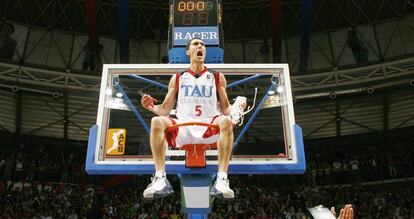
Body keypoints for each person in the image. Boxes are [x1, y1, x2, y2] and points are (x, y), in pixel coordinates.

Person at [140, 37, 245, 200]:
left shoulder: (217, 77)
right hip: (183, 127)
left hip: (209, 127)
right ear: (188, 52)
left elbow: (225, 108)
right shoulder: (178, 77)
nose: (200, 46)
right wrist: (151, 107)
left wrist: (237, 107)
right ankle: (160, 178)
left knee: (225, 120)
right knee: (156, 121)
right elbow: (166, 109)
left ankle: (222, 179)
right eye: (196, 44)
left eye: (202, 44)